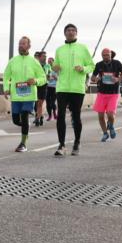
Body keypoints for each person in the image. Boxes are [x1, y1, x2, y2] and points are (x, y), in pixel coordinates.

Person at [52, 23, 94, 157]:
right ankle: (62, 145)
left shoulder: (83, 48)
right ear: (65, 33)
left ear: (76, 33)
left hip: (77, 88)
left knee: (76, 116)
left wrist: (84, 69)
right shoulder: (59, 50)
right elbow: (55, 66)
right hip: (62, 87)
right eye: (68, 30)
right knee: (61, 116)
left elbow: (91, 65)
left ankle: (77, 142)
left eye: (73, 30)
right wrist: (55, 67)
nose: (71, 32)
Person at [3, 37, 48, 152]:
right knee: (15, 120)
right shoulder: (13, 61)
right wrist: (6, 88)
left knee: (24, 115)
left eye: (23, 44)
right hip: (16, 96)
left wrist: (36, 81)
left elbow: (43, 78)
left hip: (29, 95)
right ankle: (25, 125)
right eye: (19, 44)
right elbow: (6, 76)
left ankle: (23, 143)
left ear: (29, 46)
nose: (20, 45)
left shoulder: (34, 62)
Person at [91, 48, 122, 142]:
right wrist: (96, 79)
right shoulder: (99, 65)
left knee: (110, 114)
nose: (106, 57)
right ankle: (105, 133)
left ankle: (111, 126)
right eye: (104, 55)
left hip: (113, 93)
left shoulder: (117, 63)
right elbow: (93, 78)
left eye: (107, 55)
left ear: (111, 55)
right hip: (101, 92)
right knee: (101, 116)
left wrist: (117, 79)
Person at [33, 50, 48, 126]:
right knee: (36, 104)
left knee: (39, 103)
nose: (45, 58)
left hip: (43, 86)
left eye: (45, 56)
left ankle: (38, 118)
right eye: (43, 56)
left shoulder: (46, 66)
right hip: (35, 85)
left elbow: (48, 74)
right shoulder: (34, 65)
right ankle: (40, 116)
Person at [45, 55, 59, 121]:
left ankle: (55, 114)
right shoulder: (47, 69)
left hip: (55, 87)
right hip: (48, 87)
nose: (49, 62)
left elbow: (60, 79)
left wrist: (55, 77)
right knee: (48, 102)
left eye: (50, 61)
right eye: (48, 61)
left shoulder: (56, 69)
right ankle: (50, 116)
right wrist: (47, 77)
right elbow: (47, 79)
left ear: (53, 62)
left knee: (52, 103)